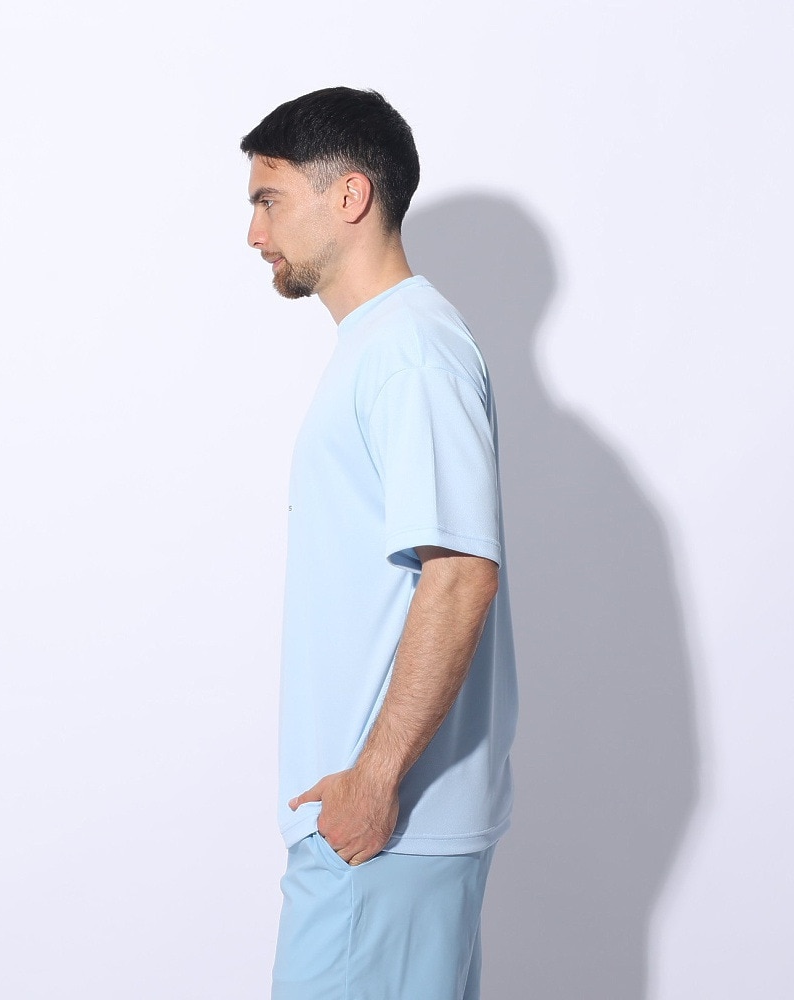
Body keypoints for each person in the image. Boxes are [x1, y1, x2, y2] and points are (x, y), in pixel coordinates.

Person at [241, 87, 518, 1000]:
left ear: (350, 195)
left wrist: (374, 778)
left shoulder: (409, 352)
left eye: (269, 199)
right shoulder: (385, 346)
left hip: (380, 828)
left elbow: (460, 573)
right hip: (379, 828)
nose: (254, 233)